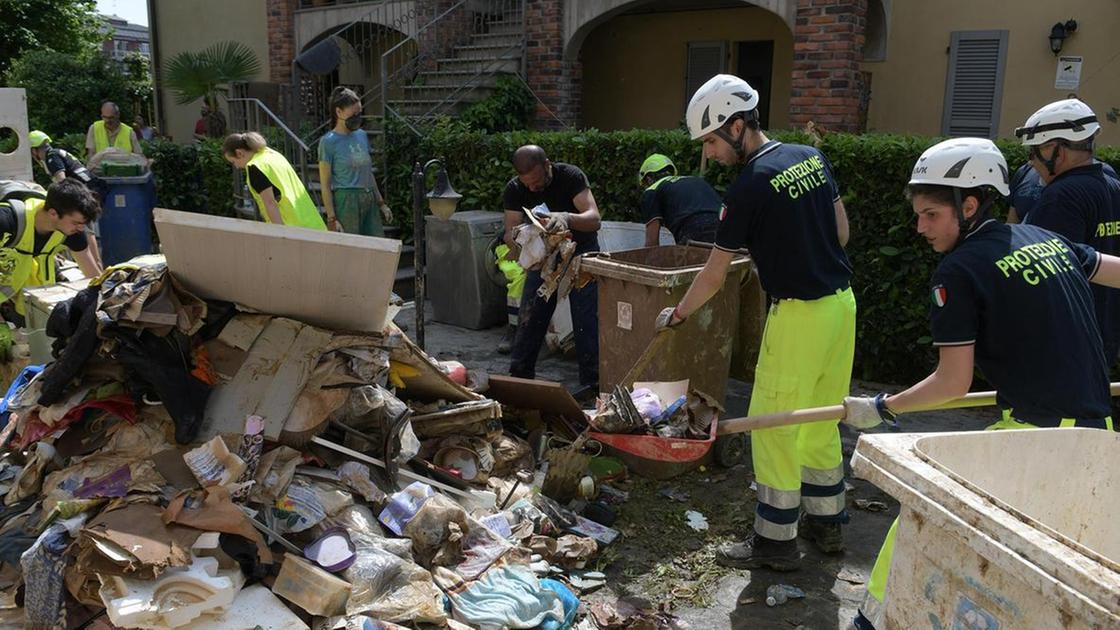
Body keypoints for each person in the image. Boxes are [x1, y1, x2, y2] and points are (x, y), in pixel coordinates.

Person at [843, 137, 1120, 630]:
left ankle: (874, 622)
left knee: (919, 534)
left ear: (968, 205)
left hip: (1034, 439)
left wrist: (882, 407)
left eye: (931, 215)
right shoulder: (1046, 240)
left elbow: (953, 382)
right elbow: (1114, 271)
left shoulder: (960, 271)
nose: (919, 227)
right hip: (1096, 434)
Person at [656, 74, 854, 570]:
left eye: (711, 141)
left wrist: (677, 314)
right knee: (822, 417)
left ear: (738, 126)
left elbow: (714, 277)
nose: (710, 154)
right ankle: (827, 524)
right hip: (841, 307)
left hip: (799, 316)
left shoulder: (749, 187)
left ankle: (774, 542)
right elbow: (842, 232)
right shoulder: (812, 158)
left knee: (772, 426)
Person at [1014, 99, 1120, 367]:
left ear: (1056, 151)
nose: (1031, 161)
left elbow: (1043, 277)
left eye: (1035, 151)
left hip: (1062, 344)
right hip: (1101, 335)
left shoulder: (1061, 197)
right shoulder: (1112, 186)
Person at [503, 145, 601, 395]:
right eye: (528, 184)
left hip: (581, 253)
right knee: (530, 316)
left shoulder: (571, 176)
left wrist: (566, 218)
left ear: (547, 164)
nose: (532, 189)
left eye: (536, 181)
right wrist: (522, 237)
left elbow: (594, 218)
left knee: (585, 319)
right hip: (545, 259)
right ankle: (520, 378)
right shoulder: (515, 189)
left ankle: (593, 384)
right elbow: (509, 232)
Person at [0, 179, 103, 324]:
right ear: (53, 213)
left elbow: (92, 275)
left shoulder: (72, 230)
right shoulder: (6, 219)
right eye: (76, 223)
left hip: (24, 293)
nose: (81, 229)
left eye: (83, 224)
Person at [317, 87, 392, 236]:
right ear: (339, 112)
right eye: (353, 114)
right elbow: (325, 185)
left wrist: (381, 203)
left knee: (376, 248)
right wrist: (332, 218)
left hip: (368, 199)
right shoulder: (328, 142)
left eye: (359, 113)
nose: (357, 117)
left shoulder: (362, 135)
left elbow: (367, 173)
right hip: (346, 202)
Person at [222, 132, 326, 231]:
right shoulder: (273, 154)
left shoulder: (255, 167)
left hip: (291, 229)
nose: (236, 166)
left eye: (233, 162)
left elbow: (270, 203)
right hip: (311, 222)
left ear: (239, 153)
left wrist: (279, 234)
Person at [637, 153, 721, 246]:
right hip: (724, 225)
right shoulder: (696, 180)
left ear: (648, 179)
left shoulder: (652, 190)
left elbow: (652, 242)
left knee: (690, 259)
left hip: (694, 228)